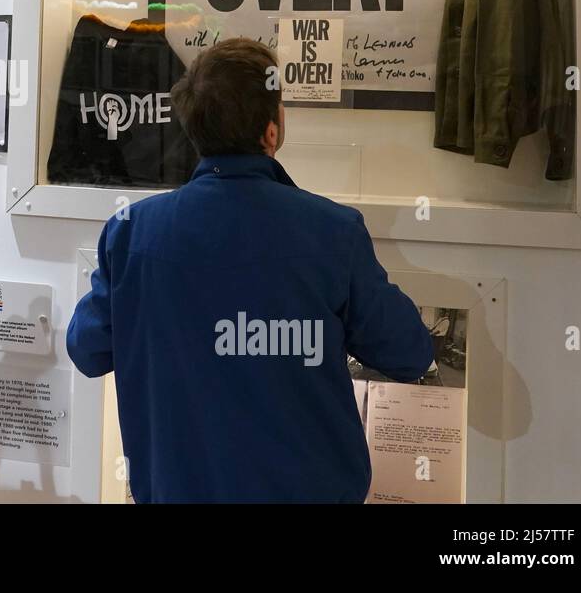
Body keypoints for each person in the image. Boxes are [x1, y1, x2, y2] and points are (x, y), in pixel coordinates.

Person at [66, 38, 434, 503]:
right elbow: (410, 352)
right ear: (271, 131)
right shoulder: (333, 232)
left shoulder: (130, 231)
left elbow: (85, 349)